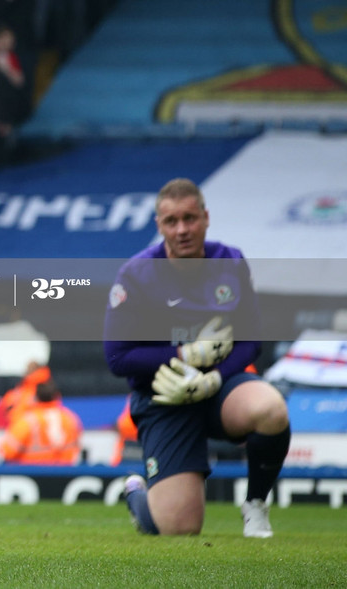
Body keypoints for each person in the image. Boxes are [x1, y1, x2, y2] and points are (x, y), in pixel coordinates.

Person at [106, 178, 290, 538]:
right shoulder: (135, 274)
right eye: (171, 221)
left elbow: (251, 342)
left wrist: (214, 377)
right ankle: (137, 494)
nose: (182, 229)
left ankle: (255, 505)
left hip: (219, 388)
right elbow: (118, 358)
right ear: (159, 226)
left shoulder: (231, 261)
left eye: (190, 218)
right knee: (179, 528)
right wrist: (183, 353)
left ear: (206, 218)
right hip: (165, 397)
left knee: (272, 408)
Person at [0, 380, 82, 465]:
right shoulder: (70, 419)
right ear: (57, 396)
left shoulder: (27, 421)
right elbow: (76, 448)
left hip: (32, 472)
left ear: (35, 397)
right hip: (65, 473)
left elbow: (7, 451)